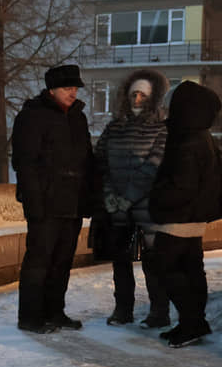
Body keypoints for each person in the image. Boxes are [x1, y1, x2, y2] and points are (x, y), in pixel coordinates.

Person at [11, 64, 95, 333]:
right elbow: (25, 164)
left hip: (72, 202)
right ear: (52, 90)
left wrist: (89, 196)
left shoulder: (77, 118)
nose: (73, 93)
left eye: (75, 88)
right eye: (67, 88)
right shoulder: (33, 116)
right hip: (45, 203)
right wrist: (34, 202)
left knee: (62, 261)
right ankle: (31, 317)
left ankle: (55, 312)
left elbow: (87, 159)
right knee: (39, 261)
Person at [147, 81, 222, 348]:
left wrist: (155, 200)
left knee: (166, 268)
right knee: (192, 269)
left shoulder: (187, 140)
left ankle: (192, 323)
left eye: (172, 106)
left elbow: (182, 185)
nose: (167, 111)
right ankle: (193, 322)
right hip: (193, 217)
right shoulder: (202, 136)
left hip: (177, 218)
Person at [94, 69, 171, 328]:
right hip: (116, 206)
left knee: (153, 261)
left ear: (152, 98)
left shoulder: (161, 129)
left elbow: (154, 166)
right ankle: (122, 309)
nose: (137, 99)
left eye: (142, 95)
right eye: (133, 94)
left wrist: (128, 197)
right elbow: (100, 162)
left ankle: (159, 311)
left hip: (147, 207)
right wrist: (110, 196)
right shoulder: (114, 128)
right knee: (121, 261)